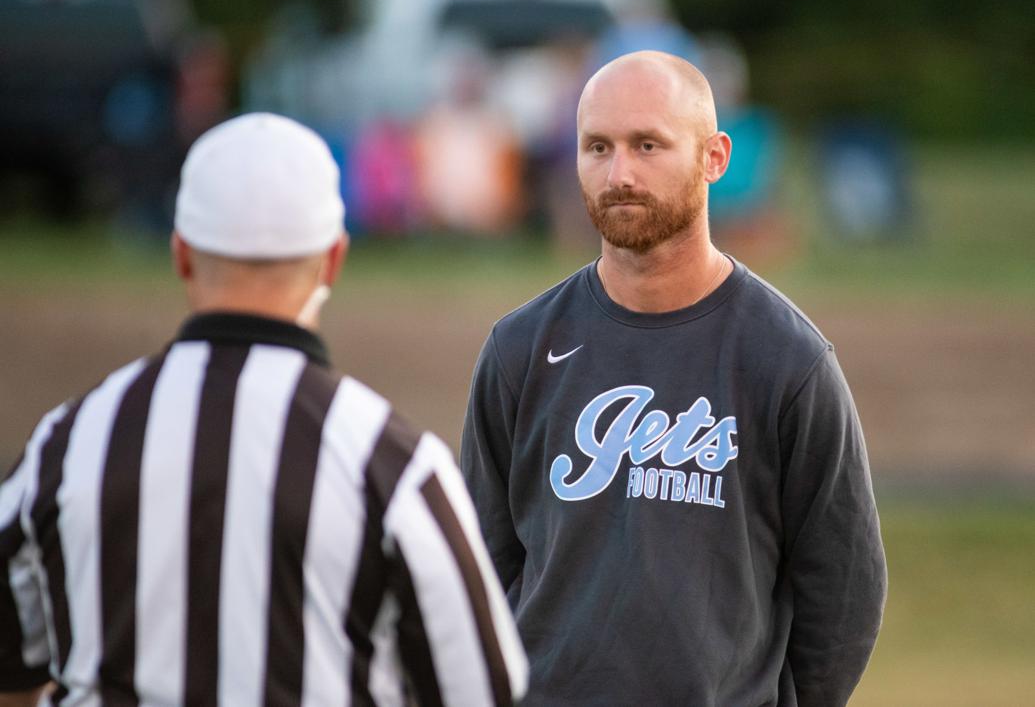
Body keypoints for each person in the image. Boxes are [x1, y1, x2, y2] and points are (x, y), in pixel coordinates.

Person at [0, 113, 527, 706]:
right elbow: (482, 688)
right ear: (333, 260)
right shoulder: (393, 462)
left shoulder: (69, 444)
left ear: (182, 255)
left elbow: (13, 661)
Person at [460, 51, 886, 706]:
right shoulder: (520, 349)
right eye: (596, 146)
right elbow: (479, 572)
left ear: (714, 157)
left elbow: (844, 586)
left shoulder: (785, 360)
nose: (618, 172)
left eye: (647, 144)